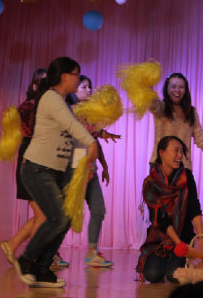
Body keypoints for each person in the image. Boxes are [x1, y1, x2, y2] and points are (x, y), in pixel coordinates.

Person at [13, 57, 98, 288]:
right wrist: (92, 142)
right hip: (37, 168)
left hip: (54, 171)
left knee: (65, 218)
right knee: (58, 217)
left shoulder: (63, 103)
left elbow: (72, 141)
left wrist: (85, 166)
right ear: (64, 76)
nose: (78, 79)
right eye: (76, 75)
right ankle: (26, 260)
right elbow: (73, 127)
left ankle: (42, 270)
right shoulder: (51, 98)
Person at [65, 75, 121, 267]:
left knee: (98, 210)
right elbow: (77, 143)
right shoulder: (71, 111)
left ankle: (92, 253)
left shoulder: (90, 113)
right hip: (76, 168)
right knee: (67, 214)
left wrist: (104, 166)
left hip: (91, 167)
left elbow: (94, 141)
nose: (89, 90)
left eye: (90, 86)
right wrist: (85, 166)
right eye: (84, 87)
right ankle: (48, 254)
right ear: (74, 90)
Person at [137, 135, 203, 283]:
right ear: (162, 153)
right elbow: (161, 219)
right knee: (152, 274)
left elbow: (195, 209)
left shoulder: (186, 176)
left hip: (183, 235)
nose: (179, 155)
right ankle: (167, 258)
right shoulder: (151, 182)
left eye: (181, 152)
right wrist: (177, 243)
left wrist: (202, 242)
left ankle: (176, 261)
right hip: (160, 237)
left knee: (175, 276)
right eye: (176, 151)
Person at [0, 68, 47, 265]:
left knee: (43, 215)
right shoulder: (28, 107)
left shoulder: (49, 107)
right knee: (43, 215)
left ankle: (12, 245)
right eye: (43, 82)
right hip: (30, 165)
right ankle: (31, 259)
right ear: (35, 86)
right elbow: (28, 131)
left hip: (41, 165)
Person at [148, 73, 203, 183]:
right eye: (173, 86)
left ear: (185, 90)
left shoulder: (191, 112)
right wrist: (148, 78)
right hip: (160, 166)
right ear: (167, 88)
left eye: (181, 87)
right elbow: (149, 98)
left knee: (190, 195)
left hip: (183, 167)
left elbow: (201, 139)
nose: (177, 90)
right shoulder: (160, 107)